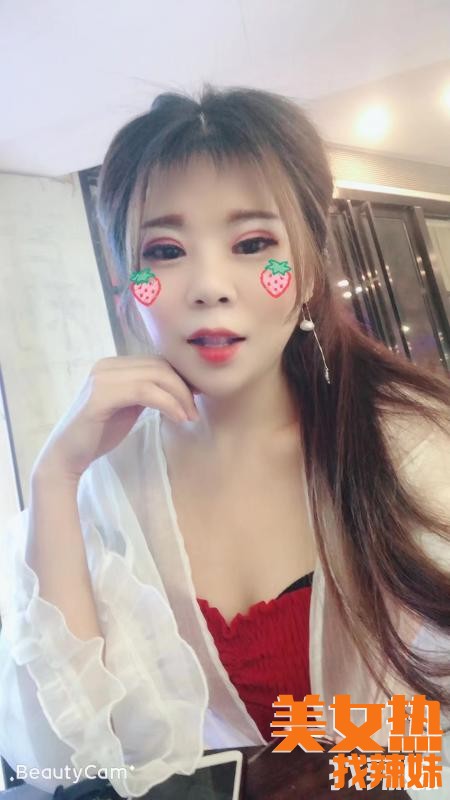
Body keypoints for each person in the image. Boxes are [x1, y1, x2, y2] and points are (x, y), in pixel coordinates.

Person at [0, 84, 449, 799]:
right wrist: (54, 476)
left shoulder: (417, 449)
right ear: (125, 286)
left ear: (307, 268)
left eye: (252, 244)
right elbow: (68, 759)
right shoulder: (108, 482)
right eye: (166, 250)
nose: (209, 285)